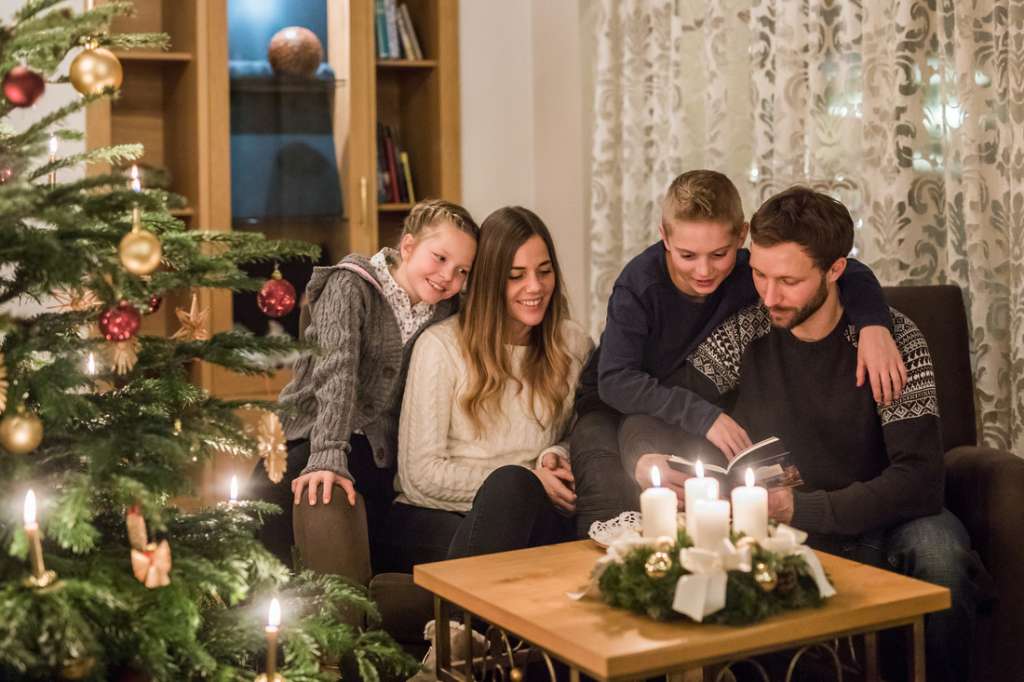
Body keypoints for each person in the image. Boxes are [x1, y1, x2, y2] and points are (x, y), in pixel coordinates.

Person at [622, 187, 981, 682]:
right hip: (785, 531)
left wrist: (802, 508)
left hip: (886, 520)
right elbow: (650, 414)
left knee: (941, 554)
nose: (769, 296)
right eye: (760, 275)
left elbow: (920, 481)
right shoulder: (746, 332)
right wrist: (644, 458)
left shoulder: (890, 341)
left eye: (788, 281)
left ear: (836, 271)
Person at [570, 170, 907, 534]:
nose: (703, 270)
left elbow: (846, 269)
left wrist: (874, 324)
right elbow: (616, 382)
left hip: (680, 407)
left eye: (719, 254)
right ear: (664, 236)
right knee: (610, 497)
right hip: (609, 407)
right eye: (687, 255)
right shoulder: (639, 285)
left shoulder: (754, 272)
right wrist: (704, 417)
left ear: (741, 236)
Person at [259, 199, 479, 569]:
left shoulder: (445, 308)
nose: (448, 277)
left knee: (375, 544)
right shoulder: (351, 285)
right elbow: (336, 368)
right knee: (271, 513)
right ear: (408, 247)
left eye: (462, 271)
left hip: (379, 457)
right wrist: (327, 452)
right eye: (439, 258)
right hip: (313, 434)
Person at [381, 206, 593, 573]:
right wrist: (524, 481)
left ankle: (469, 628)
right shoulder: (442, 347)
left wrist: (554, 455)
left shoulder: (572, 344)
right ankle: (468, 627)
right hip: (435, 516)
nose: (535, 287)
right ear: (490, 281)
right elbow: (420, 476)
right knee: (512, 489)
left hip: (532, 515)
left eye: (544, 272)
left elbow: (585, 431)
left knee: (530, 509)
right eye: (516, 276)